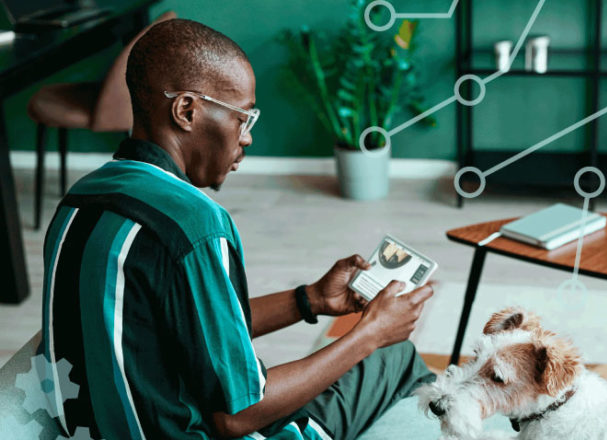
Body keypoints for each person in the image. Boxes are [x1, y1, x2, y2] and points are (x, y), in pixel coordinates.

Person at [40, 18, 435, 440]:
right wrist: (371, 333)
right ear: (187, 110)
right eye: (242, 118)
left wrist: (311, 299)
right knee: (395, 355)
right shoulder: (194, 224)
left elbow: (190, 331)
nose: (246, 138)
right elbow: (238, 415)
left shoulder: (80, 199)